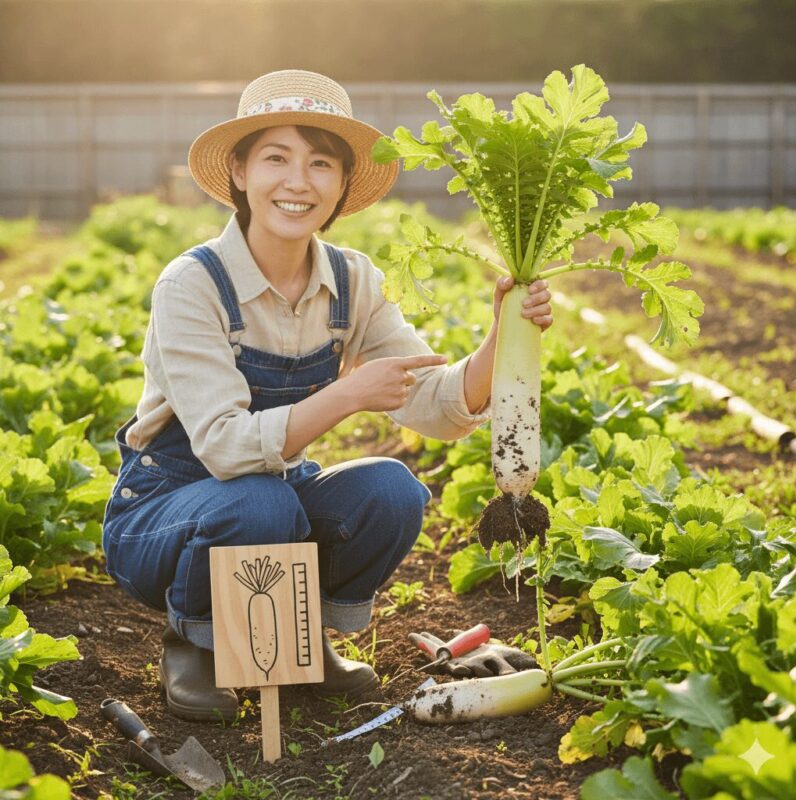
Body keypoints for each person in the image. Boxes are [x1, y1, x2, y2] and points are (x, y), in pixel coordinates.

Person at [101, 69, 553, 723]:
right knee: (259, 503)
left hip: (268, 497)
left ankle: (300, 641)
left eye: (320, 164)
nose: (297, 182)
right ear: (239, 170)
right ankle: (193, 642)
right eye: (276, 158)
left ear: (342, 184)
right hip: (165, 515)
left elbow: (434, 402)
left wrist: (502, 329)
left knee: (391, 492)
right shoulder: (192, 284)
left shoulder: (351, 279)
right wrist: (347, 394)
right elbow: (227, 450)